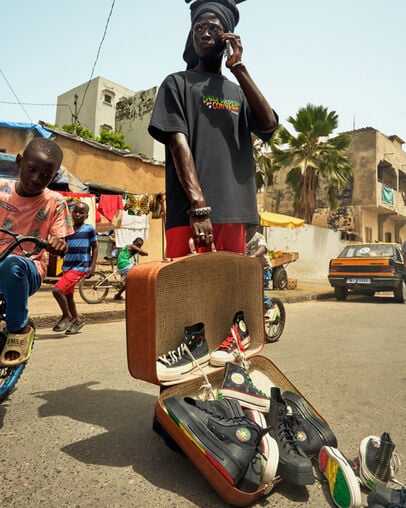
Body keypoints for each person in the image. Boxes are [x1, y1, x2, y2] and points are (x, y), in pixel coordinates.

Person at [148, 0, 278, 258]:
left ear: (228, 38)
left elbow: (268, 125)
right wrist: (198, 207)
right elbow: (177, 144)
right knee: (185, 295)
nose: (205, 33)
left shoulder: (238, 92)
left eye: (213, 29)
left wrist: (239, 68)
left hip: (233, 214)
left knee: (228, 295)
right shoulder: (177, 83)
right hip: (191, 215)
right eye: (198, 28)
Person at [0, 137, 73, 367]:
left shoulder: (55, 202)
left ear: (53, 177)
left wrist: (59, 244)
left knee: (13, 264)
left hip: (27, 268)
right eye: (32, 170)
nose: (36, 179)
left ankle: (18, 328)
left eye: (45, 176)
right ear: (19, 162)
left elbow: (59, 239)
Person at [52, 202, 98, 334]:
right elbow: (64, 248)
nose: (78, 214)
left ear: (86, 215)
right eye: (75, 212)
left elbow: (94, 248)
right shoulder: (68, 230)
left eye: (81, 212)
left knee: (56, 290)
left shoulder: (89, 229)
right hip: (67, 266)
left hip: (80, 267)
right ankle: (77, 321)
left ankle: (67, 316)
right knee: (68, 296)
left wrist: (92, 266)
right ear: (71, 213)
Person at [246, 224, 273, 309]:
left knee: (256, 288)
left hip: (264, 269)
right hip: (253, 270)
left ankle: (269, 306)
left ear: (255, 228)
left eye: (250, 228)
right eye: (247, 228)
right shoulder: (243, 238)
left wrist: (254, 255)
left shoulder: (259, 237)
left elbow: (263, 248)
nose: (249, 231)